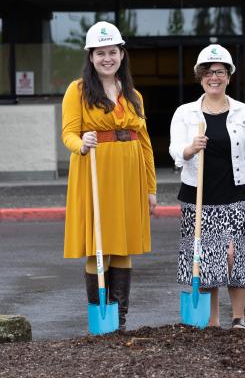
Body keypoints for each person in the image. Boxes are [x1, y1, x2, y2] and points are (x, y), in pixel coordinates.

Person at [62, 21, 157, 332]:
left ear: (121, 54)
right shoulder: (77, 90)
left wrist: (150, 188)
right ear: (91, 57)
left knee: (123, 244)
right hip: (94, 172)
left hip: (129, 176)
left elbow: (144, 143)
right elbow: (68, 134)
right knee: (98, 244)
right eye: (100, 53)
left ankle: (120, 321)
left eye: (112, 52)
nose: (107, 58)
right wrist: (82, 144)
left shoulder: (134, 95)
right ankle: (100, 318)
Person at [169, 44, 245, 330]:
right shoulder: (185, 113)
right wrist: (190, 149)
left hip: (237, 193)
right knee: (205, 257)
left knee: (233, 254)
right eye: (208, 72)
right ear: (200, 77)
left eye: (220, 72)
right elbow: (175, 150)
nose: (214, 77)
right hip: (197, 195)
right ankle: (211, 320)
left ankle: (238, 318)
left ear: (229, 76)